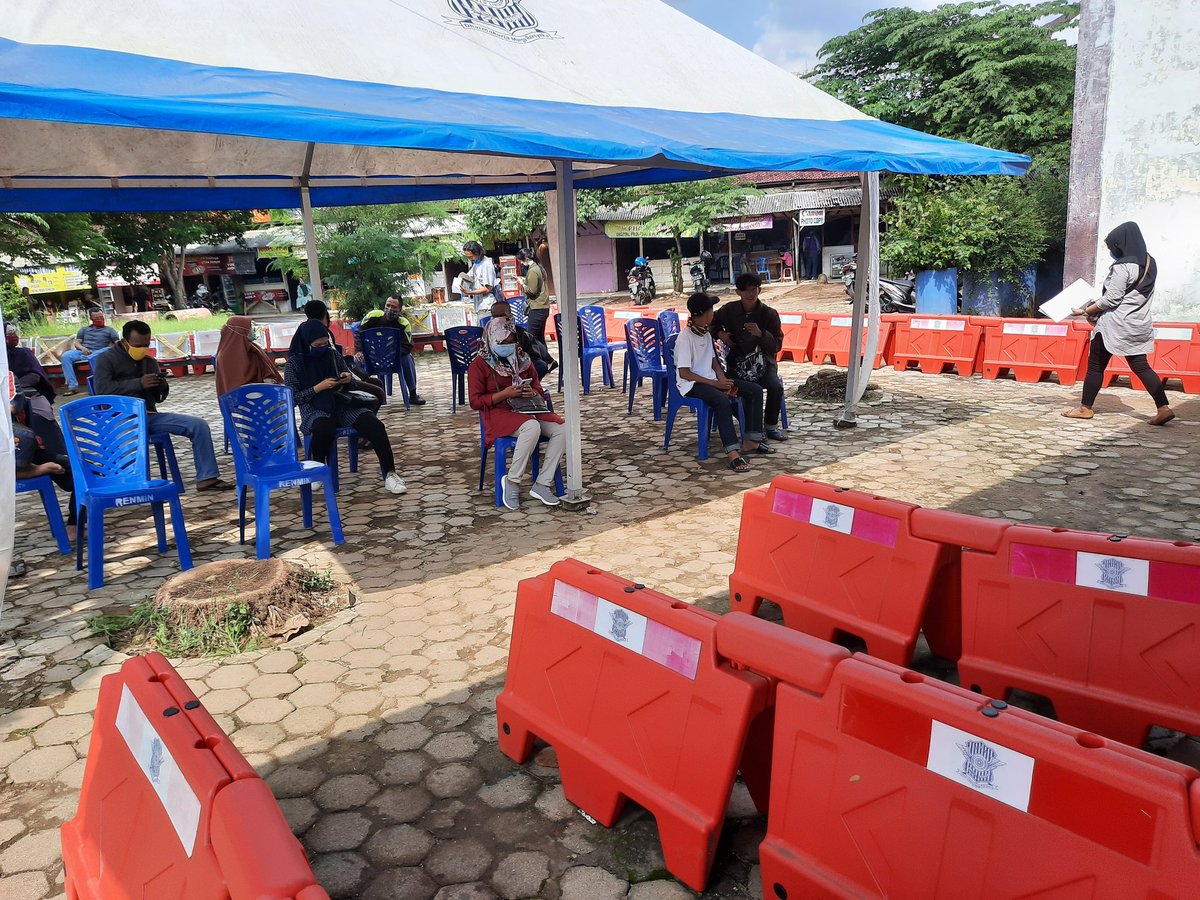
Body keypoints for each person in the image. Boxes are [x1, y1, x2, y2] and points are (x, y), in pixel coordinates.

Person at [92, 320, 234, 491]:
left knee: (198, 425)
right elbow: (102, 391)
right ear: (124, 342)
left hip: (150, 415)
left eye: (146, 344)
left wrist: (161, 385)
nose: (142, 349)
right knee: (129, 442)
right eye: (138, 345)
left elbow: (159, 399)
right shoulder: (105, 359)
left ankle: (207, 477)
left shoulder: (149, 361)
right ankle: (127, 484)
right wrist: (138, 384)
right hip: (119, 419)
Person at [1063, 222, 1176, 426]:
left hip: (1114, 326)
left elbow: (1112, 300)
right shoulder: (1150, 262)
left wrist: (1085, 311)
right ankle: (1163, 408)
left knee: (1096, 366)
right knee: (1141, 366)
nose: (1112, 252)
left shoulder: (1123, 266)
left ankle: (1085, 408)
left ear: (1121, 244)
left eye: (1113, 248)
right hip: (1137, 323)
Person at [285, 319, 407, 494]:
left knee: (375, 426)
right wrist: (317, 388)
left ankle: (390, 474)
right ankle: (317, 470)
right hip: (314, 408)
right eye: (317, 345)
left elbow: (351, 382)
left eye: (325, 343)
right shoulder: (294, 364)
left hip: (342, 404)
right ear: (306, 343)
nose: (322, 348)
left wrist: (347, 379)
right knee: (323, 427)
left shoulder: (332, 354)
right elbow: (292, 398)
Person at [468, 316, 565, 510]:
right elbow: (475, 401)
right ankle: (512, 481)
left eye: (511, 340)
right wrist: (503, 394)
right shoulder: (479, 365)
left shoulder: (523, 359)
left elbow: (538, 388)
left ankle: (542, 484)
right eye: (503, 342)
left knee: (562, 429)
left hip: (529, 408)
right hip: (499, 412)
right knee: (531, 427)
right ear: (492, 339)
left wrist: (532, 391)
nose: (508, 345)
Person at [674, 292, 773, 473]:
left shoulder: (704, 333)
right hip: (692, 384)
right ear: (704, 313)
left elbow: (713, 361)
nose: (713, 313)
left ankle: (751, 439)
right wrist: (715, 385)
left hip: (711, 379)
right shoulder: (685, 337)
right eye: (711, 309)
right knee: (721, 400)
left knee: (754, 390)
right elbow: (685, 373)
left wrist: (722, 379)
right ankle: (732, 453)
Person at [712, 273, 787, 441]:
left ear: (759, 290)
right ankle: (749, 423)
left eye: (754, 290)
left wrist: (761, 334)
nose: (750, 294)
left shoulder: (769, 314)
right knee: (729, 390)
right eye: (746, 291)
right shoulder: (729, 310)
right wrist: (720, 334)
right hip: (737, 363)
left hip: (764, 364)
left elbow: (777, 345)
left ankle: (770, 426)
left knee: (775, 387)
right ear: (739, 292)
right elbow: (711, 322)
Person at [297, 300, 386, 415]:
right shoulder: (317, 334)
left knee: (376, 384)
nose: (322, 346)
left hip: (341, 377)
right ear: (325, 314)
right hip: (332, 385)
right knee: (377, 391)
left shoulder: (308, 331)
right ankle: (360, 416)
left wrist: (347, 375)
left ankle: (363, 417)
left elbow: (338, 360)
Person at [354, 295, 426, 405]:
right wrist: (359, 351)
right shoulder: (372, 316)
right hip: (371, 356)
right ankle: (365, 394)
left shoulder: (404, 323)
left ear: (400, 309)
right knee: (355, 361)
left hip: (393, 357)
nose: (390, 309)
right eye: (388, 305)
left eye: (394, 307)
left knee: (408, 358)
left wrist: (391, 354)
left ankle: (412, 394)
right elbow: (359, 332)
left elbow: (407, 345)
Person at [214, 315, 283, 397]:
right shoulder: (223, 357)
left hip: (262, 394)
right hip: (238, 399)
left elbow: (268, 374)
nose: (253, 330)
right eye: (250, 327)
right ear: (240, 331)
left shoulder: (254, 349)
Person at [59, 307, 119, 395]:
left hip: (99, 352)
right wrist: (83, 348)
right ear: (91, 319)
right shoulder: (84, 330)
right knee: (66, 356)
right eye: (97, 318)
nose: (100, 320)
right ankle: (72, 386)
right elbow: (77, 343)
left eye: (101, 317)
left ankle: (97, 385)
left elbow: (117, 343)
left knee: (106, 350)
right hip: (84, 352)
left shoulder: (109, 330)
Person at [490, 299, 555, 379]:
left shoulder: (521, 333)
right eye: (496, 316)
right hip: (495, 366)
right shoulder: (487, 335)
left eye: (502, 315)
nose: (499, 319)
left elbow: (533, 355)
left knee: (540, 365)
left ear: (510, 315)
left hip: (520, 365)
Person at [518, 246, 551, 347]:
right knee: (540, 339)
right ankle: (546, 361)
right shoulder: (538, 267)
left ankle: (541, 361)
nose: (520, 263)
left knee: (531, 338)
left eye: (521, 260)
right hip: (543, 307)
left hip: (537, 308)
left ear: (526, 259)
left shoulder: (532, 270)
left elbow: (532, 291)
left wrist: (522, 284)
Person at [460, 240, 500, 315]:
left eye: (471, 257)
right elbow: (469, 277)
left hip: (487, 306)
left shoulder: (486, 264)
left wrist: (469, 292)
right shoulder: (476, 264)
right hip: (479, 305)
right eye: (468, 257)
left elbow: (488, 289)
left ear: (477, 253)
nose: (470, 259)